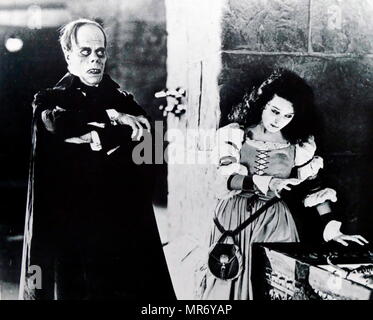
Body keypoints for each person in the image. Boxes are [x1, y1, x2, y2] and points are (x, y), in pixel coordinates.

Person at [19, 18, 175, 300]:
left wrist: (96, 137)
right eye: (85, 52)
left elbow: (152, 144)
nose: (95, 59)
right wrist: (116, 122)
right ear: (68, 54)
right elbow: (58, 124)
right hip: (73, 232)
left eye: (100, 52)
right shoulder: (49, 99)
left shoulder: (122, 97)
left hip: (121, 226)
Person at [199, 69, 368, 300]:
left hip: (274, 220)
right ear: (261, 105)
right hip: (233, 218)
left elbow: (314, 187)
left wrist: (332, 227)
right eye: (275, 111)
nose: (279, 120)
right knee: (228, 279)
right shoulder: (234, 135)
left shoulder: (299, 145)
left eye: (288, 116)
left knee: (271, 284)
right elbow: (226, 179)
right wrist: (267, 182)